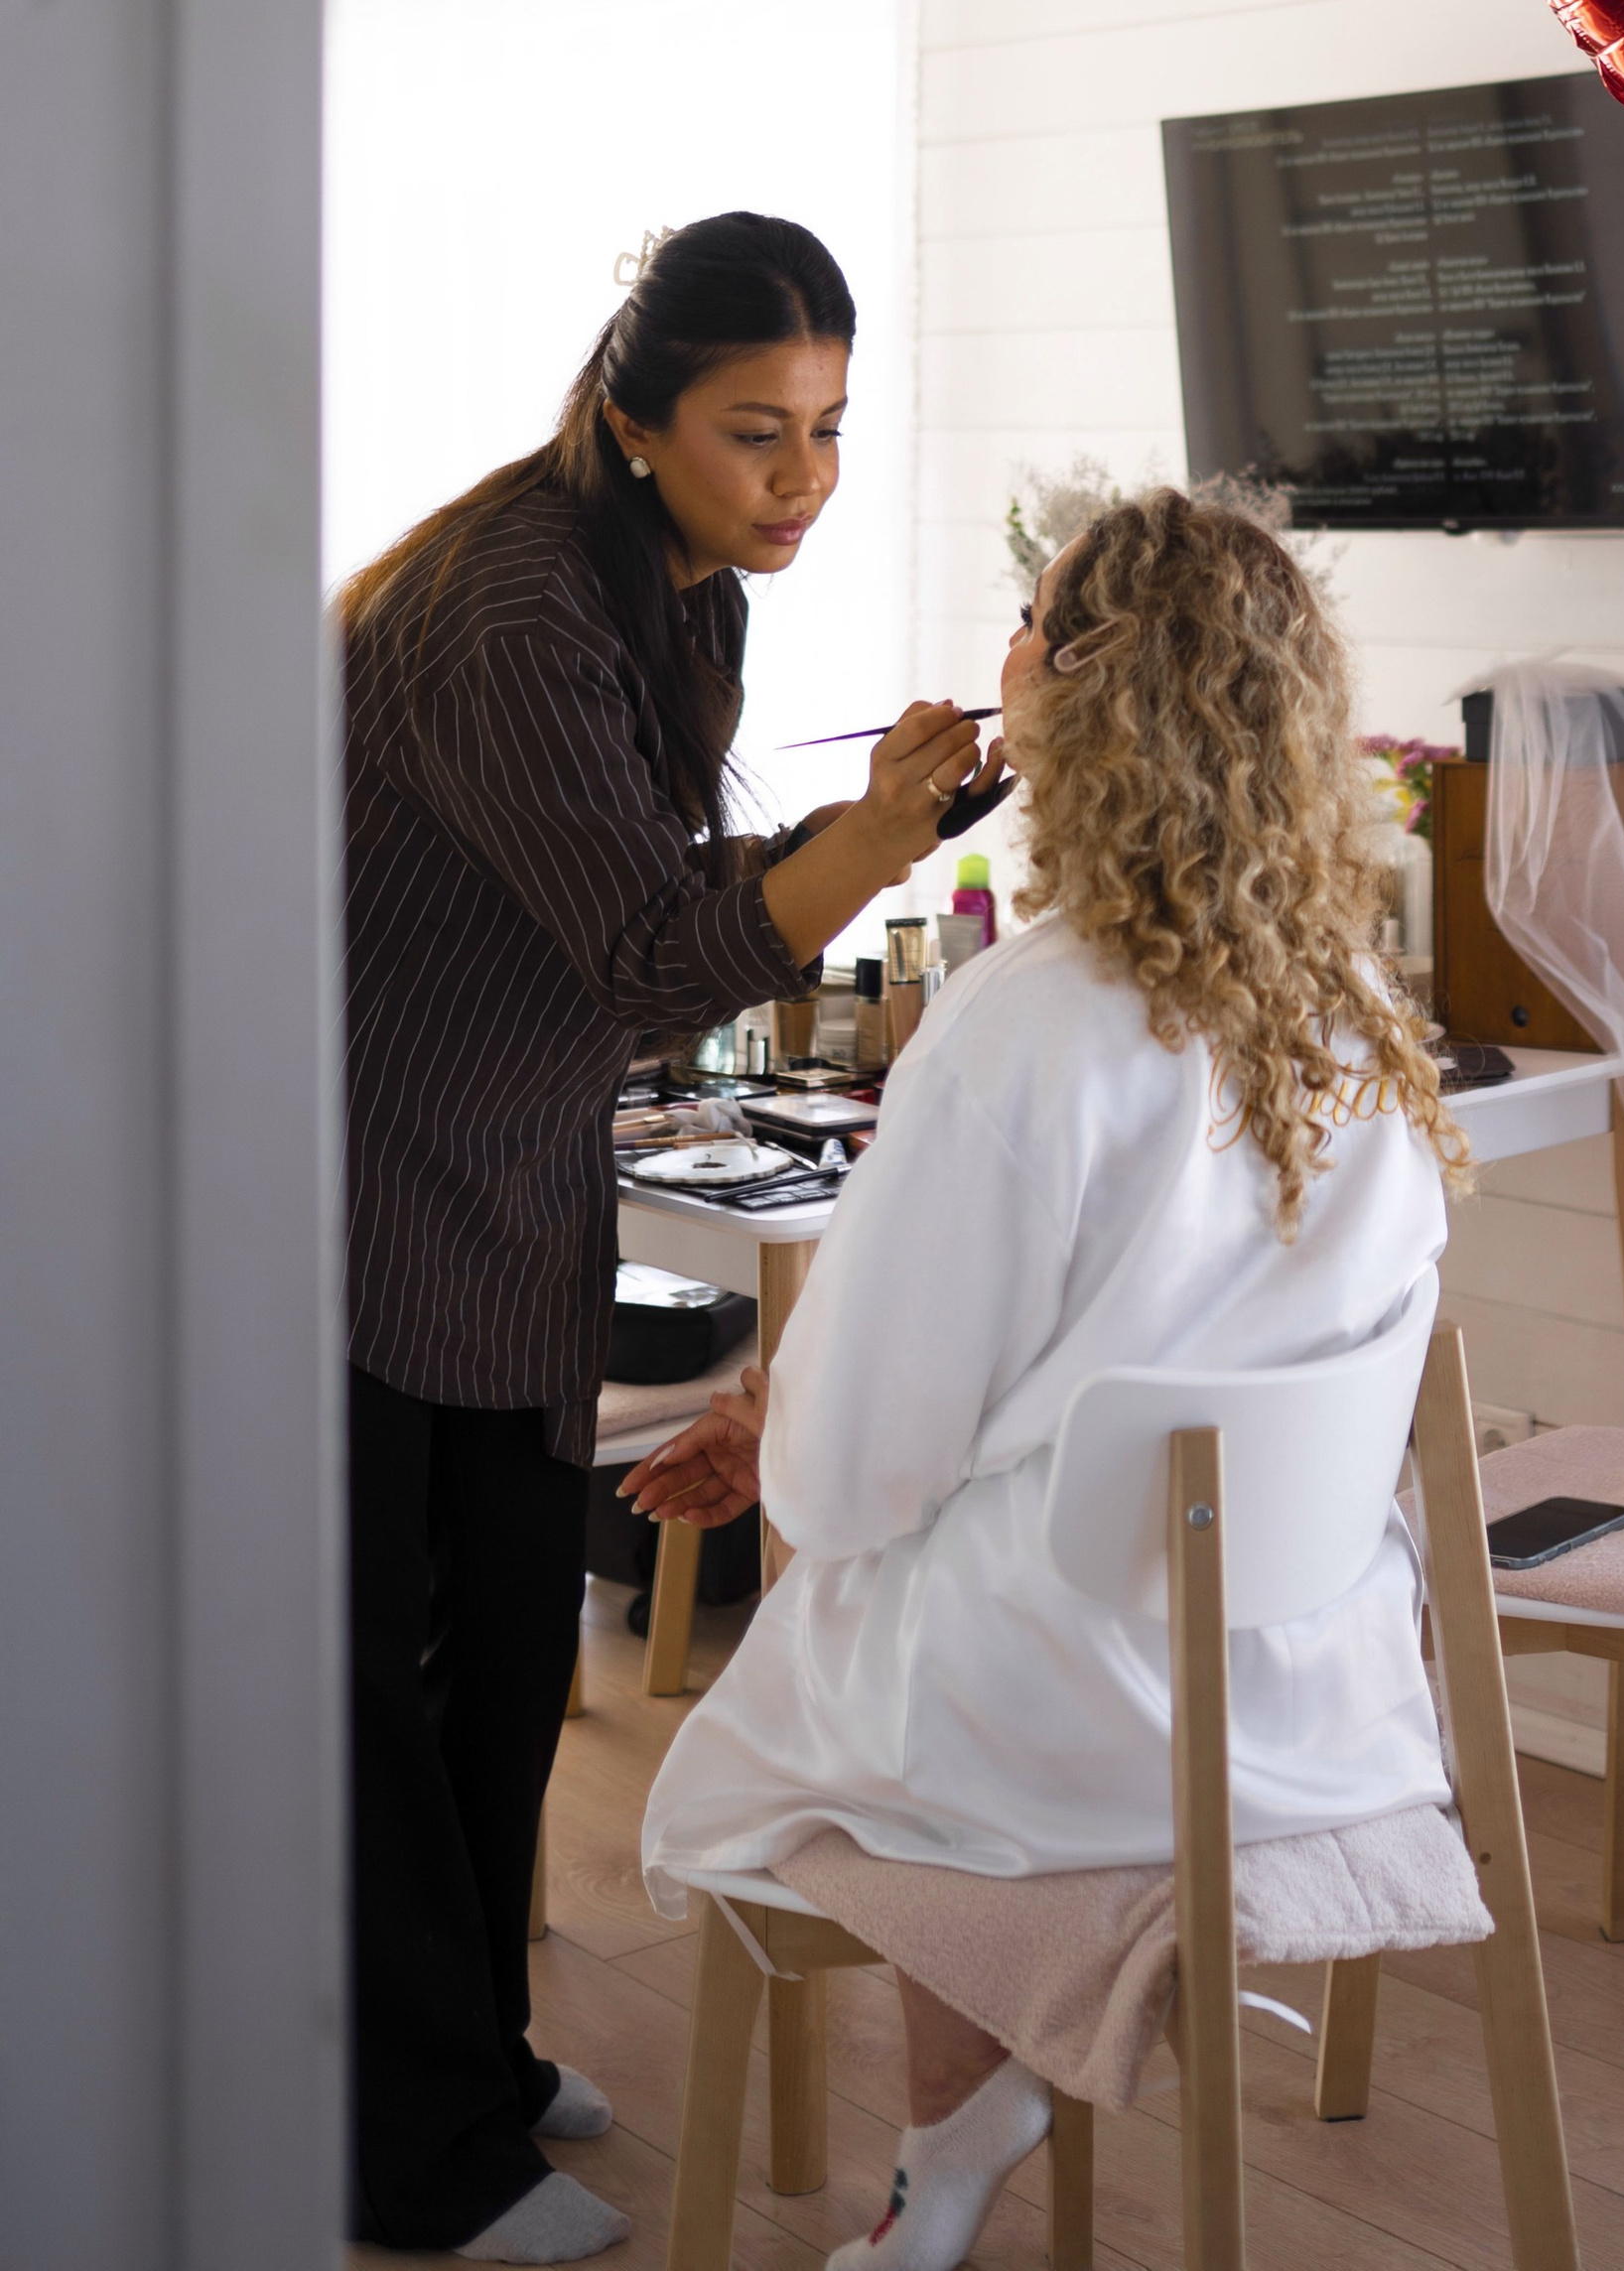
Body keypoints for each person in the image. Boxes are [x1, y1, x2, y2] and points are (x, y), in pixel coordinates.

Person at [632, 488, 1466, 2271]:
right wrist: (806, 1412)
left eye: (1028, 622)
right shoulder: (1357, 1008)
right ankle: (958, 2135)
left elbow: (857, 1478)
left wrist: (788, 1425)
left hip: (1063, 1728)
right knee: (931, 1553)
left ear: (1080, 688)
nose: (1000, 651)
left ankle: (954, 2132)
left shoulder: (1022, 1022)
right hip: (1316, 1702)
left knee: (863, 1602)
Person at [338, 211, 992, 2265]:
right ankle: (412, 2157)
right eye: (752, 432)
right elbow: (644, 955)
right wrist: (868, 843)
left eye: (828, 428)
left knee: (506, 1645)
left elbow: (643, 878)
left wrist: (879, 827)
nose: (803, 479)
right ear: (634, 420)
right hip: (334, 1165)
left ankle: (466, 2058)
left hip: (495, 1167)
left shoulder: (675, 589)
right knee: (371, 1689)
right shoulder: (514, 608)